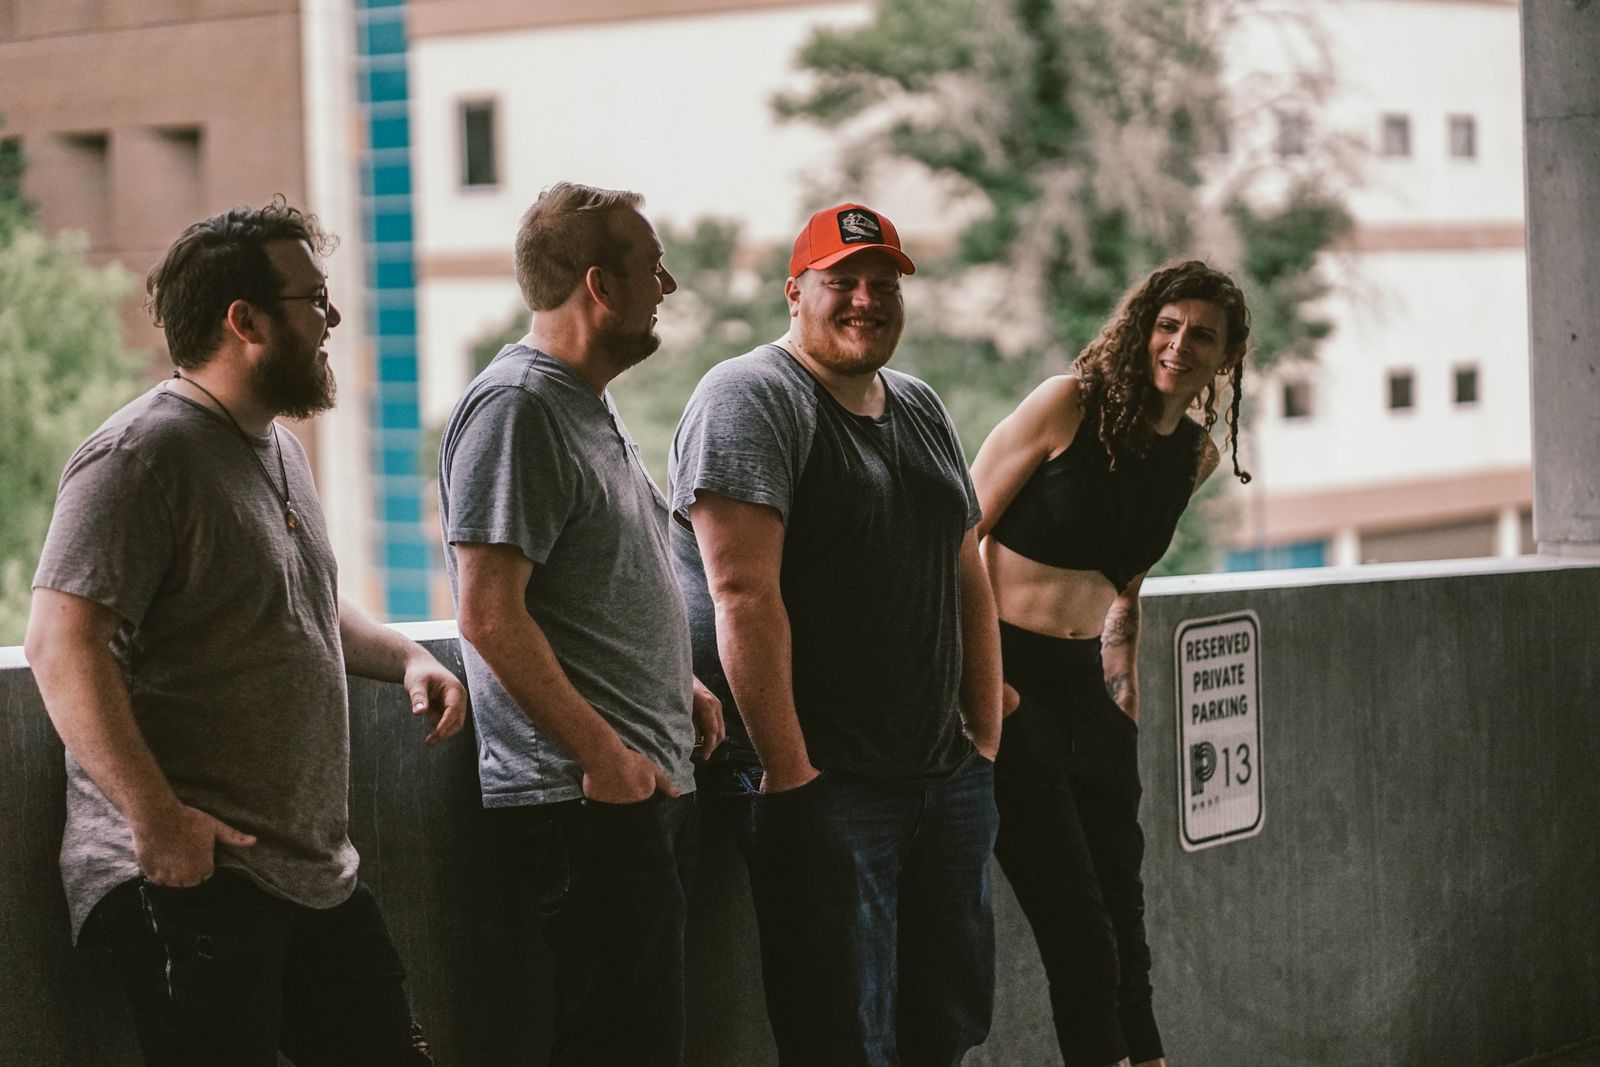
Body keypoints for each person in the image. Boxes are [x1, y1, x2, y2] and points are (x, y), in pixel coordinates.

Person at [23, 199, 468, 1066]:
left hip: (308, 869)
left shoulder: (275, 449)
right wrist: (159, 820)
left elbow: (300, 602)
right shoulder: (139, 456)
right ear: (246, 320)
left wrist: (407, 657)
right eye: (314, 299)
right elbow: (59, 642)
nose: (332, 318)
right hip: (198, 874)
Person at [670, 201, 1003, 1067]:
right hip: (825, 784)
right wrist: (791, 775)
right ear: (794, 292)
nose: (866, 299)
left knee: (946, 1026)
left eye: (884, 284)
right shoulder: (749, 396)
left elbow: (966, 566)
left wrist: (983, 742)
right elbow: (741, 594)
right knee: (842, 1040)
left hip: (943, 775)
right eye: (842, 281)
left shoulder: (921, 404)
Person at [437, 181, 723, 1067]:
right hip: (586, 800)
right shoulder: (516, 408)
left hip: (633, 786)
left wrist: (676, 682)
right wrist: (606, 757)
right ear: (599, 285)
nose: (667, 287)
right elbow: (488, 612)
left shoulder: (580, 398)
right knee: (620, 1046)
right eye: (653, 268)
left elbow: (591, 579)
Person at [970, 260, 1252, 1067]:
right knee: (1082, 936)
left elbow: (1129, 583)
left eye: (1203, 335)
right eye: (1168, 325)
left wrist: (1123, 694)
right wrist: (988, 686)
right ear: (1142, 328)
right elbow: (959, 532)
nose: (1180, 345)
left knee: (1127, 925)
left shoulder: (1193, 455)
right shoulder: (1067, 404)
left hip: (1088, 694)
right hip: (1010, 680)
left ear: (1227, 356)